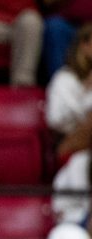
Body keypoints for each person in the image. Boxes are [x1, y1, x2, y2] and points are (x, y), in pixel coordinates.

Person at [46, 22, 92, 160]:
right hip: (72, 144)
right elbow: (56, 120)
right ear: (84, 45)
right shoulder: (65, 78)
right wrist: (85, 91)